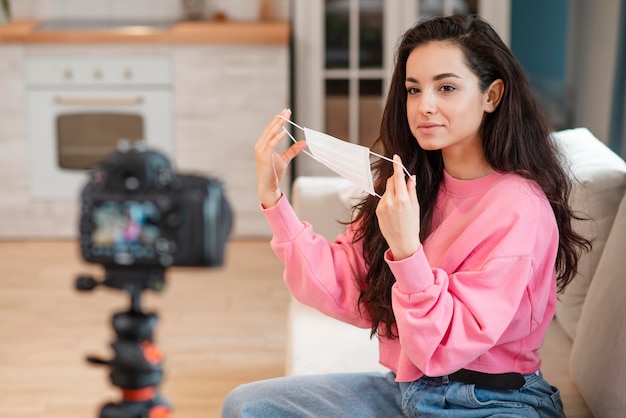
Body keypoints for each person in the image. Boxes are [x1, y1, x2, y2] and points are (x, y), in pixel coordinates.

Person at [222, 14, 591, 418]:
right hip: (406, 392)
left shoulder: (520, 207)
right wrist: (274, 201)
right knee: (247, 406)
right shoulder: (415, 184)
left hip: (494, 402)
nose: (425, 106)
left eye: (446, 87)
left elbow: (443, 349)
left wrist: (408, 251)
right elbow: (345, 287)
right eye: (414, 90)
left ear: (492, 95)